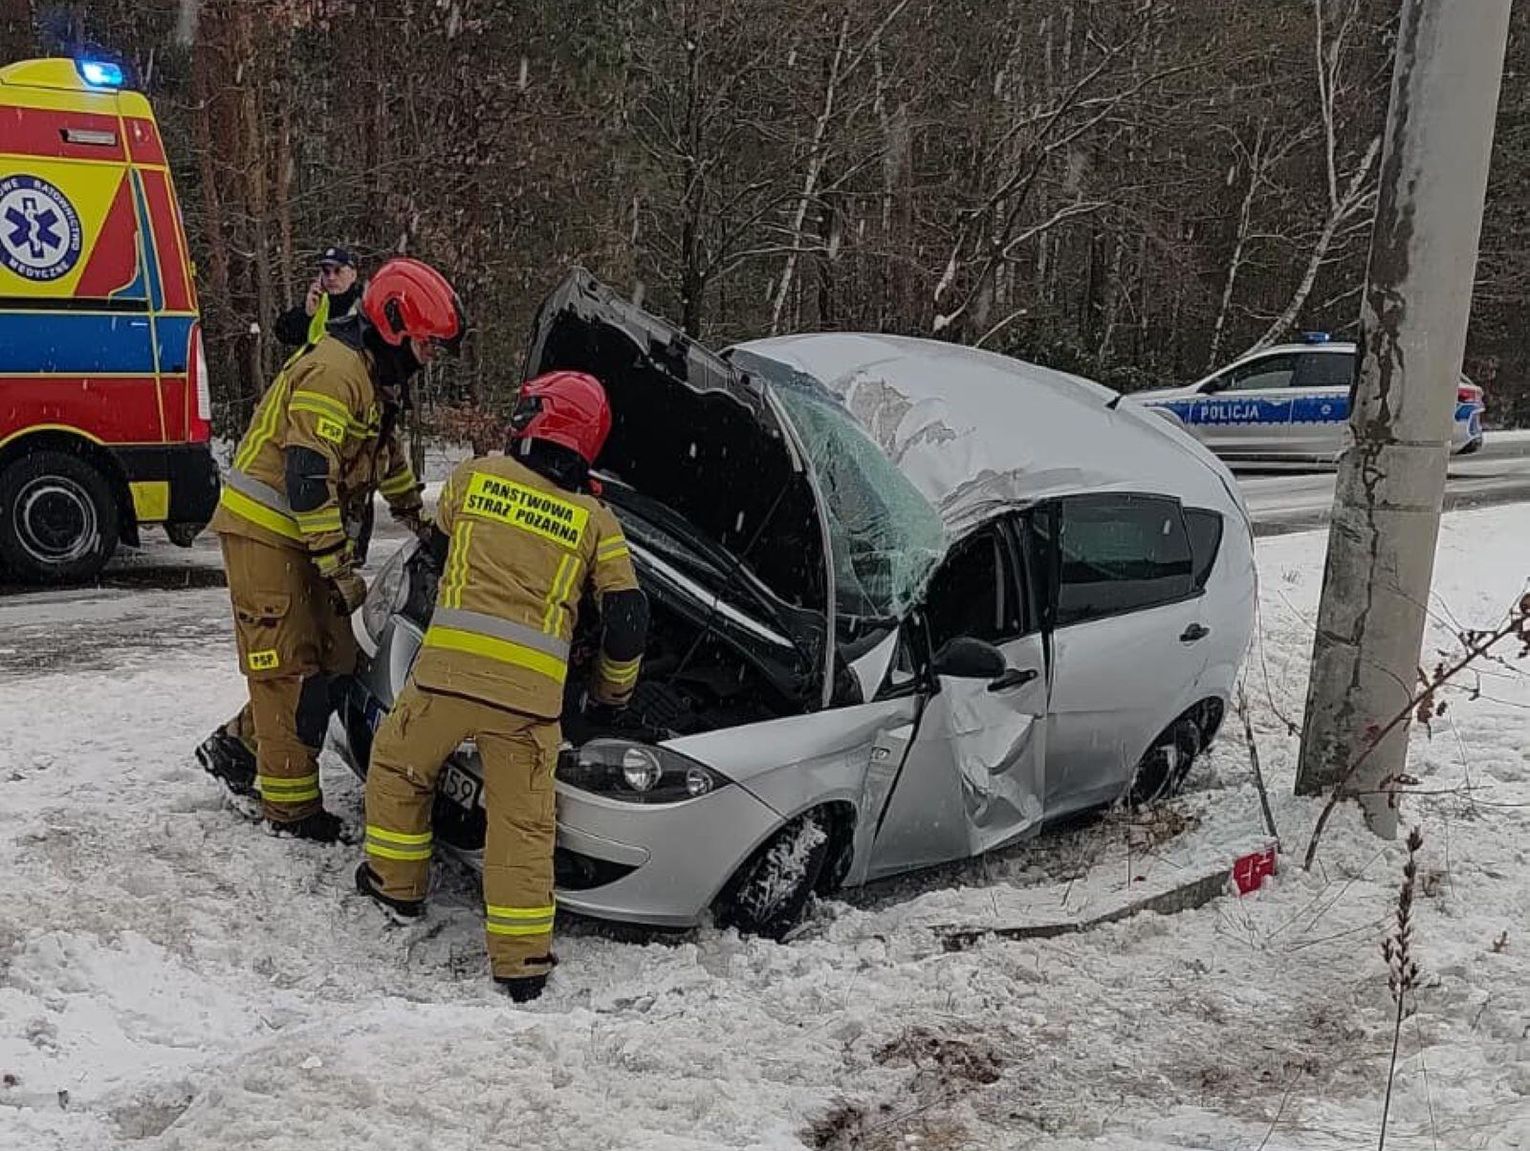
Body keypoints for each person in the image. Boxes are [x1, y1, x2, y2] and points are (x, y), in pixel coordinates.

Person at [356, 371, 648, 1002]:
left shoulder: (474, 477)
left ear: (540, 420)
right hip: (529, 704)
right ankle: (521, 964)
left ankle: (395, 887)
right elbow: (627, 618)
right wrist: (609, 695)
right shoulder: (597, 520)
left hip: (445, 679)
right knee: (523, 828)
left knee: (400, 769)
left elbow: (433, 555)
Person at [202, 257, 464, 842]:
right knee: (288, 670)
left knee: (337, 658)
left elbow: (384, 456)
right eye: (427, 345)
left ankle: (238, 748)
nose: (430, 358)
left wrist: (419, 520)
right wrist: (336, 565)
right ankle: (290, 810)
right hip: (267, 531)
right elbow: (306, 477)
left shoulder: (370, 377)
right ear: (396, 328)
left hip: (300, 533)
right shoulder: (334, 371)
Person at [274, 246, 363, 348]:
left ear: (353, 275)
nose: (331, 277)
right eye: (326, 271)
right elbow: (283, 333)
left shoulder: (365, 304)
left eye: (338, 271)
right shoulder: (318, 302)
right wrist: (307, 314)